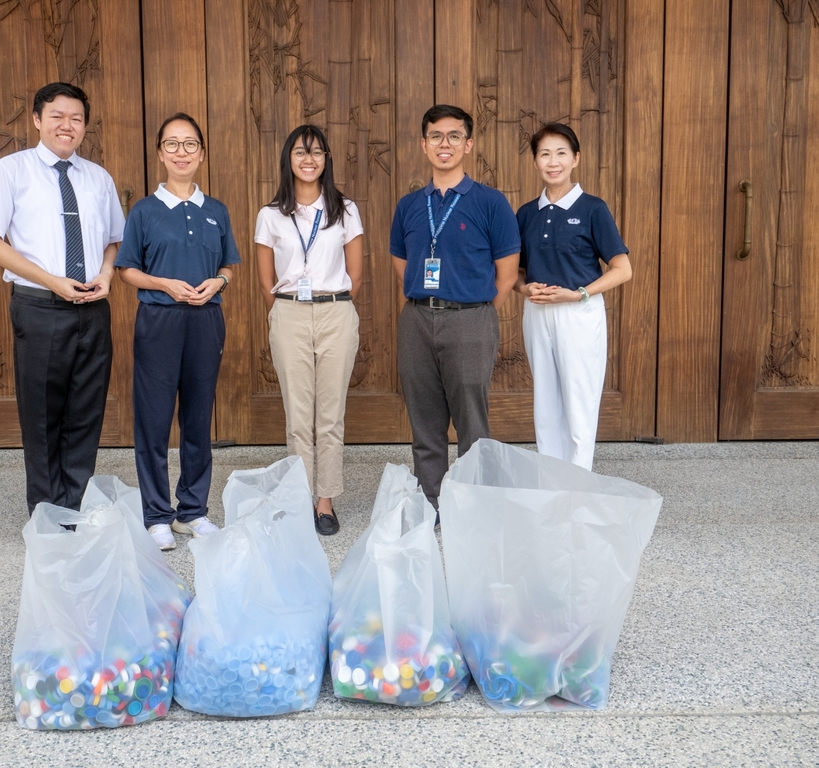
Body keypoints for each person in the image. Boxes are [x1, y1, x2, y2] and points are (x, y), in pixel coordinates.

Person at [0, 82, 125, 515]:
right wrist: (51, 280)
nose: (67, 125)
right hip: (40, 308)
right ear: (37, 120)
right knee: (41, 416)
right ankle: (45, 513)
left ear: (84, 127)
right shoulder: (11, 170)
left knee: (85, 413)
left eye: (76, 118)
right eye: (57, 116)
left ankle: (74, 507)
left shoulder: (98, 177)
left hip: (93, 309)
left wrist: (107, 274)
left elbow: (115, 239)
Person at [115, 113, 240, 551]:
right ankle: (156, 514)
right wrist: (164, 283)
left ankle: (192, 511)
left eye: (190, 144)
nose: (181, 152)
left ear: (202, 153)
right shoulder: (145, 211)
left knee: (197, 418)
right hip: (159, 321)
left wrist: (219, 282)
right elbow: (127, 270)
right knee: (153, 419)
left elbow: (227, 264)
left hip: (206, 321)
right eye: (172, 144)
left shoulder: (216, 211)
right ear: (160, 154)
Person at [389, 104, 520, 513]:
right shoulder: (410, 204)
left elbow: (507, 273)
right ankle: (431, 503)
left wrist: (472, 309)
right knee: (424, 421)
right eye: (436, 136)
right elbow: (401, 264)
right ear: (423, 144)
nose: (444, 144)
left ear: (468, 144)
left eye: (454, 136)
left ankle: (475, 505)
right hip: (416, 320)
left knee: (471, 422)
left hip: (470, 320)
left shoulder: (490, 202)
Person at [254, 125, 364, 535]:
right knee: (298, 415)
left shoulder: (345, 209)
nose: (309, 159)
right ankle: (300, 496)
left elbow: (356, 274)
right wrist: (286, 312)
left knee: (330, 415)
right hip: (289, 314)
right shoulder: (270, 215)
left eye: (316, 152)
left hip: (335, 311)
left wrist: (327, 301)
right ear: (289, 159)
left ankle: (325, 501)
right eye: (300, 152)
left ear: (325, 160)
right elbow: (266, 280)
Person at [514, 123, 632, 470]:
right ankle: (553, 484)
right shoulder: (526, 214)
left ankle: (578, 487)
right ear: (535, 161)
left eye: (561, 153)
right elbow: (517, 272)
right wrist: (524, 288)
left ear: (576, 159)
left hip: (579, 313)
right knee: (546, 404)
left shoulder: (593, 209)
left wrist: (578, 294)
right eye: (545, 154)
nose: (553, 161)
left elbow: (622, 269)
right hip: (537, 313)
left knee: (579, 403)